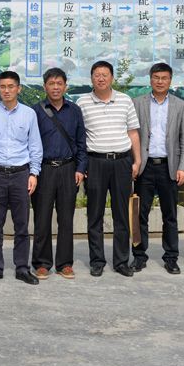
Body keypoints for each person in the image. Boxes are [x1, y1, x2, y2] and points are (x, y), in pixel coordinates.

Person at [0, 71, 42, 285]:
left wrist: (34, 173)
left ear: (18, 88)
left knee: (21, 225)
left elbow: (34, 145)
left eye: (11, 86)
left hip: (21, 174)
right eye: (3, 86)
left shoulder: (29, 114)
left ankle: (22, 268)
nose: (7, 90)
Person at [79, 60, 141, 277]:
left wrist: (137, 160)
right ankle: (97, 261)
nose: (101, 78)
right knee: (94, 214)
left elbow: (133, 132)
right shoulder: (82, 102)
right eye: (97, 75)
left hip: (122, 162)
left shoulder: (125, 100)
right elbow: (79, 137)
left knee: (121, 214)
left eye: (105, 74)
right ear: (91, 78)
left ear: (112, 78)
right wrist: (83, 165)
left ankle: (121, 261)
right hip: (95, 162)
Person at [132, 62, 184, 275]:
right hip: (145, 166)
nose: (160, 81)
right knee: (140, 214)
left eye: (164, 78)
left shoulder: (179, 105)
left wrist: (182, 167)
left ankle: (171, 258)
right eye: (156, 77)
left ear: (170, 80)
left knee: (170, 215)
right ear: (150, 79)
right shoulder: (137, 103)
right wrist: (134, 162)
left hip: (169, 166)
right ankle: (139, 256)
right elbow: (132, 135)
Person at [31, 67, 86, 279]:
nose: (55, 87)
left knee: (66, 219)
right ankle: (42, 263)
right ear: (45, 87)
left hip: (68, 169)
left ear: (65, 86)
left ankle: (64, 263)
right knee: (42, 218)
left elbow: (81, 142)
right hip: (44, 169)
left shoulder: (74, 110)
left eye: (59, 83)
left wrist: (80, 168)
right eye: (51, 84)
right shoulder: (36, 111)